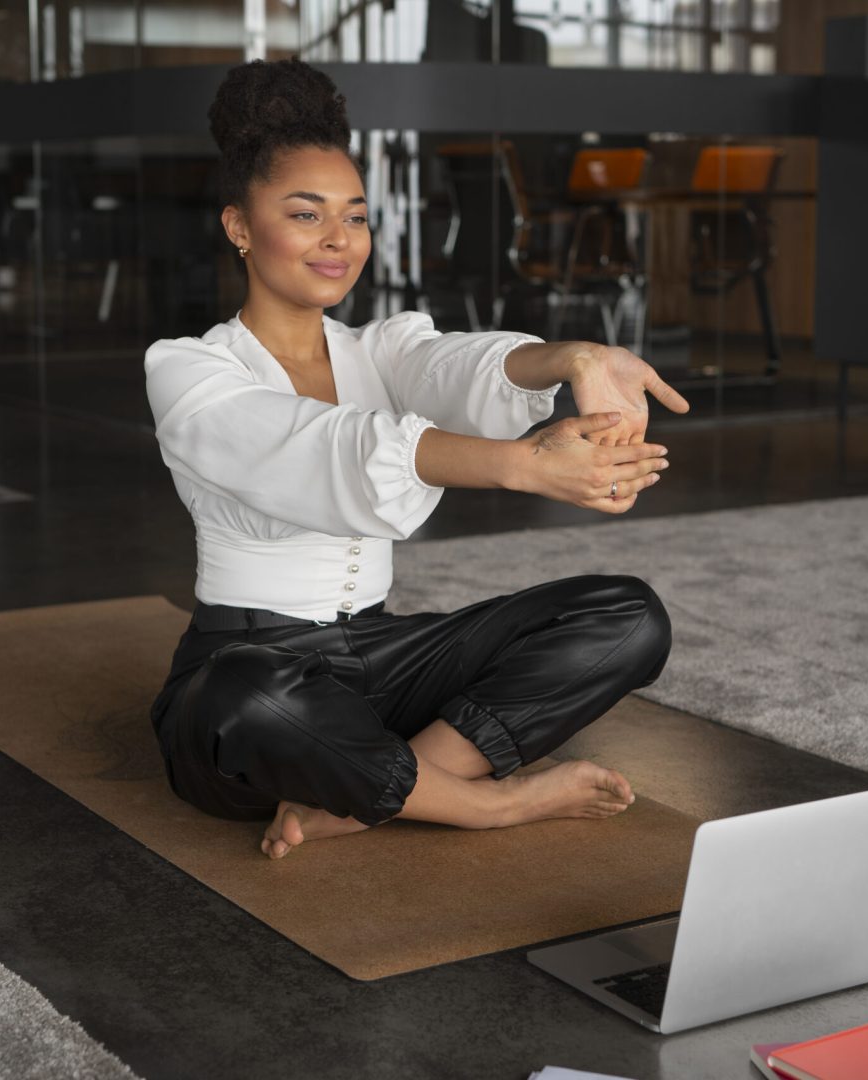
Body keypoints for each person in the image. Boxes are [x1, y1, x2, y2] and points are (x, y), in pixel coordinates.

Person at [145, 58, 690, 862]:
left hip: (378, 658)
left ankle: (366, 793)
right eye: (305, 214)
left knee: (627, 617)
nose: (339, 240)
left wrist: (574, 357)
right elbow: (321, 446)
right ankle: (485, 804)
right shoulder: (190, 371)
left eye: (356, 217)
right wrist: (522, 464)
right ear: (239, 226)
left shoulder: (379, 349)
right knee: (245, 696)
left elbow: (455, 368)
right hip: (248, 669)